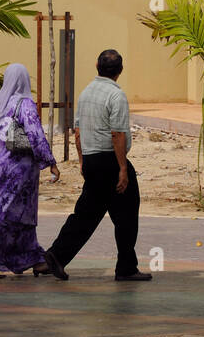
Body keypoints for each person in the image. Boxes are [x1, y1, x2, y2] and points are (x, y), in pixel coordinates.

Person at [39, 49, 151, 283]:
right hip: (110, 161)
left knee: (86, 213)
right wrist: (122, 169)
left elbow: (77, 131)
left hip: (91, 159)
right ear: (120, 71)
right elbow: (117, 134)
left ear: (97, 66)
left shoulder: (86, 93)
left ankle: (56, 254)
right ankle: (126, 267)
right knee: (127, 214)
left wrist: (82, 160)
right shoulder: (116, 95)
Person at [0, 63, 60, 279]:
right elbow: (36, 136)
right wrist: (50, 162)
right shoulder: (25, 105)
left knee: (18, 215)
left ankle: (35, 259)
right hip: (20, 172)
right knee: (7, 215)